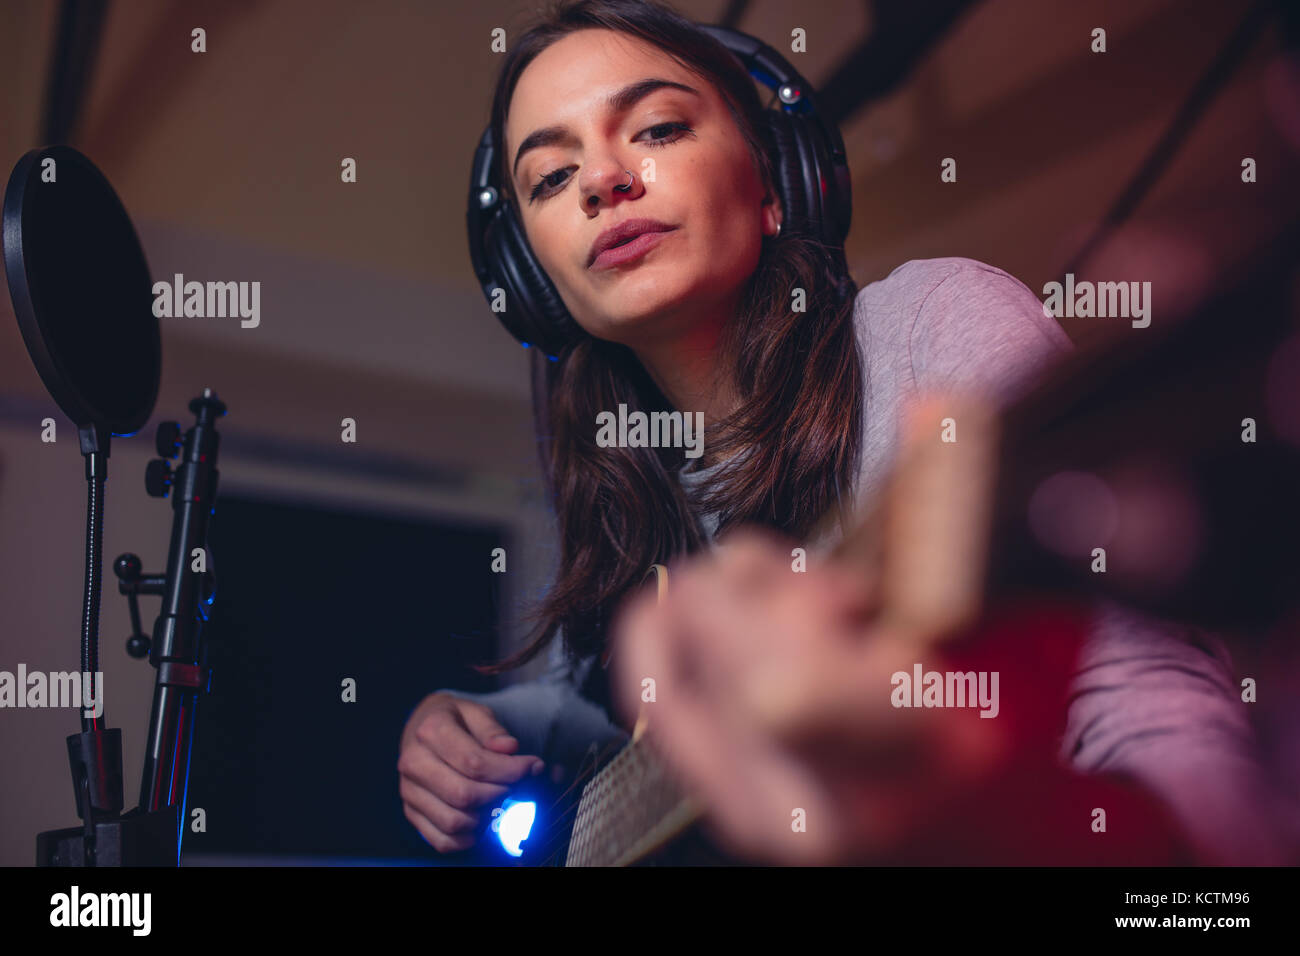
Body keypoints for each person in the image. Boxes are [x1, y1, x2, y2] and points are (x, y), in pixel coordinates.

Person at [398, 0, 1286, 863]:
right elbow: (579, 709)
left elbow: (1145, 711)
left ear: (775, 185)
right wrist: (471, 731)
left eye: (659, 128)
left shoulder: (929, 323)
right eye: (551, 177)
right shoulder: (613, 487)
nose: (602, 179)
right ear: (538, 279)